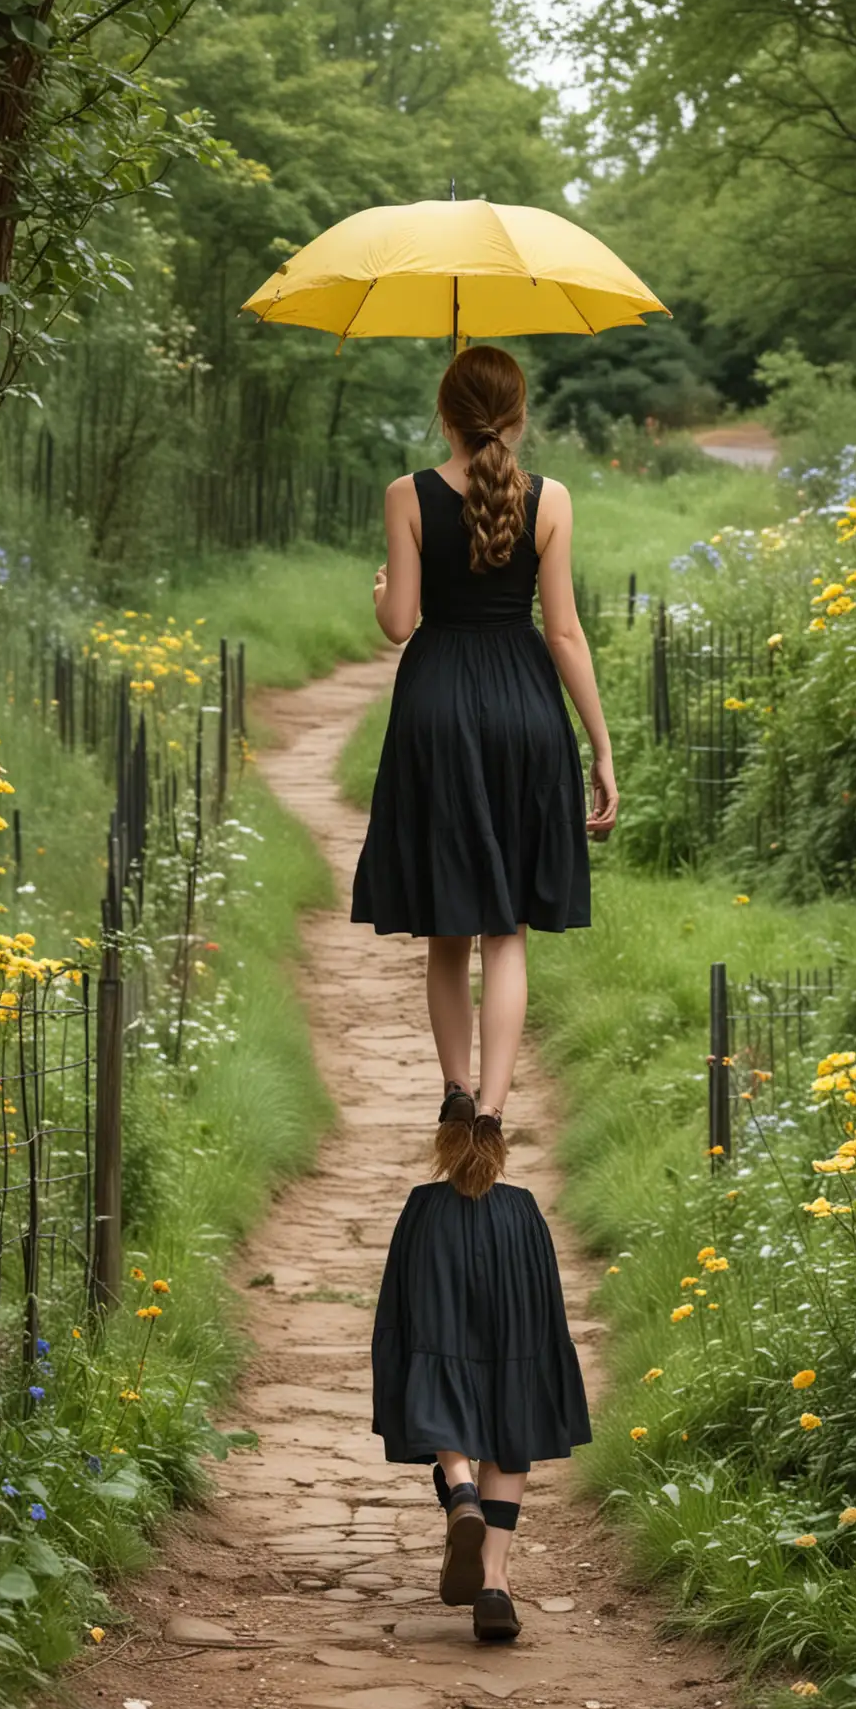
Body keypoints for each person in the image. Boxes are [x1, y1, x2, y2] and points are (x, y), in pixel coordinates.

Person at [351, 344, 618, 1196]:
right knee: (507, 932)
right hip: (525, 709)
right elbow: (566, 632)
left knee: (448, 928)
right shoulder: (552, 500)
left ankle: (455, 1096)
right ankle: (497, 1114)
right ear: (519, 412)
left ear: (445, 410)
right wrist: (602, 747)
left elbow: (399, 625)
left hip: (437, 706)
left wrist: (388, 586)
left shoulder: (407, 494)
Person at [371, 1177, 591, 1642]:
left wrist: (458, 1104)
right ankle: (494, 1585)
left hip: (436, 1227)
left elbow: (461, 1119)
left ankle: (461, 1489)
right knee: (510, 1387)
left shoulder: (424, 1200)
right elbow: (485, 1121)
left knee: (437, 1356)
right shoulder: (520, 1199)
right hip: (513, 1227)